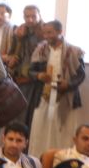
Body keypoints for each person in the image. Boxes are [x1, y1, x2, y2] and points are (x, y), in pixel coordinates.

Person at [27, 19, 85, 156]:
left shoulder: (74, 51)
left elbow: (81, 75)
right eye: (45, 33)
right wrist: (39, 75)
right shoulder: (40, 50)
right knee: (40, 128)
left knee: (63, 132)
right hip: (44, 96)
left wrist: (68, 84)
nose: (46, 36)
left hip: (65, 98)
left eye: (50, 32)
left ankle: (61, 160)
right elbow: (30, 71)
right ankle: (40, 159)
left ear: (60, 32)